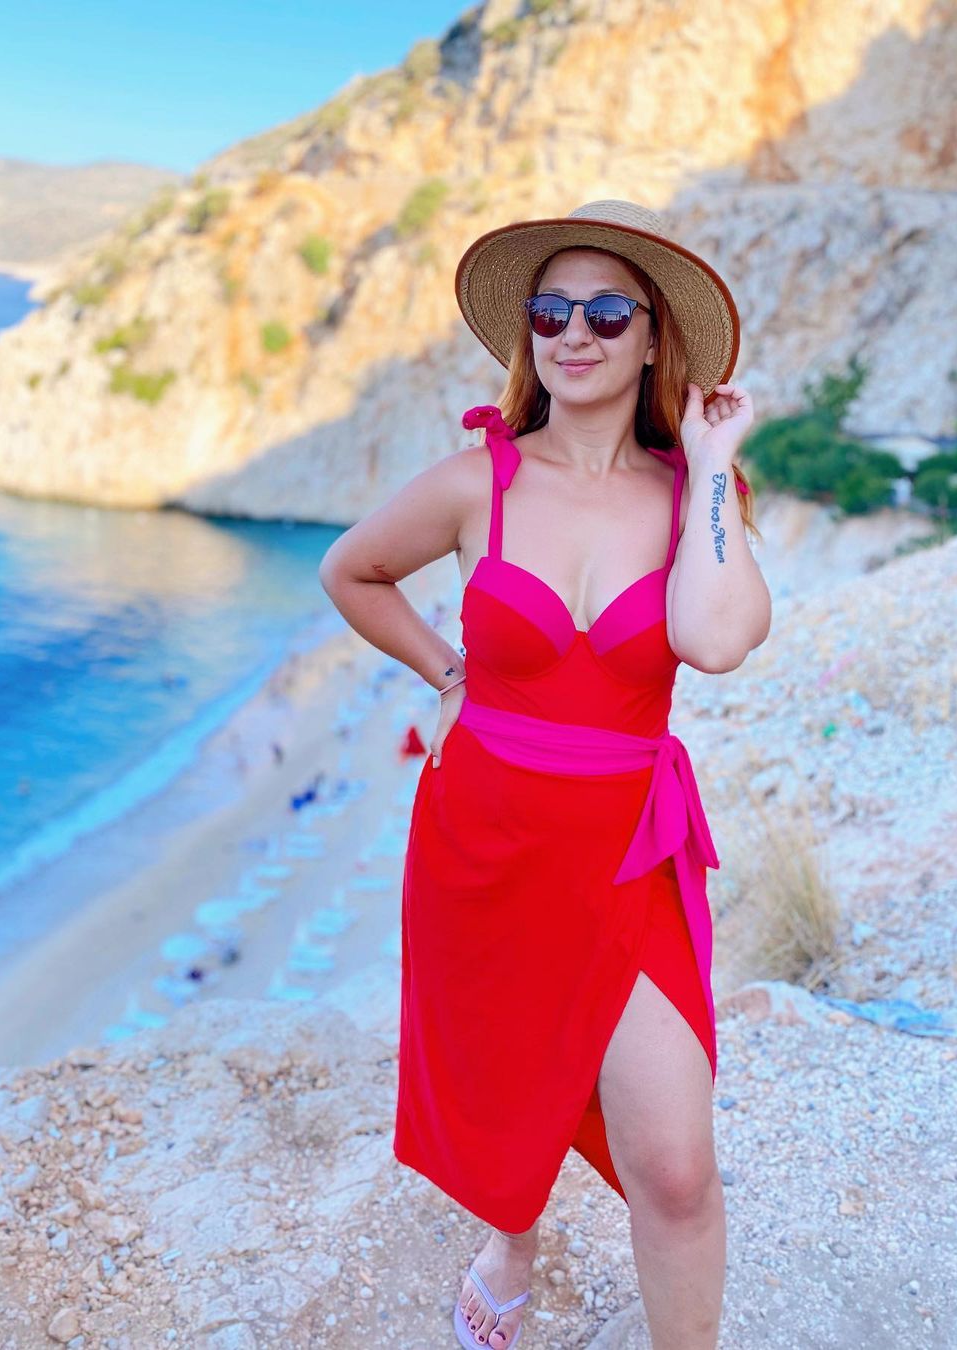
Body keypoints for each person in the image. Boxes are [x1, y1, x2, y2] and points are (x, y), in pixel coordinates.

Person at [319, 199, 772, 1349]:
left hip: (626, 852)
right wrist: (448, 671)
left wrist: (711, 465)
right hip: (485, 838)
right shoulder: (476, 481)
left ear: (654, 338)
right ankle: (511, 1236)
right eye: (551, 310)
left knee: (676, 1172)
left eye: (608, 312)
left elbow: (716, 640)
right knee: (510, 1075)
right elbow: (352, 571)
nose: (575, 332)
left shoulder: (689, 498)